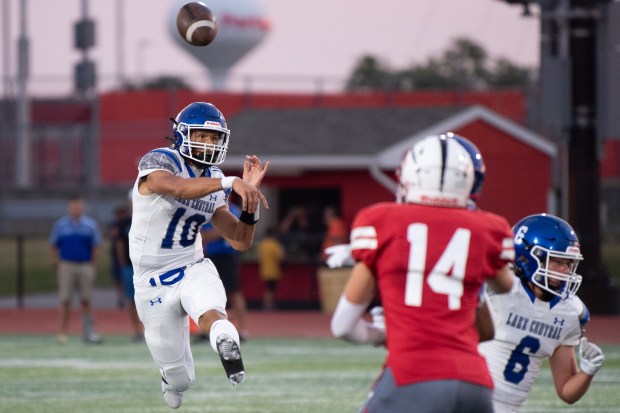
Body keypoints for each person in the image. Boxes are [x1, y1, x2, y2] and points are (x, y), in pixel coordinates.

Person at [327, 133, 515, 413]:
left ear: (409, 177)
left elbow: (341, 326)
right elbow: (503, 290)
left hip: (412, 374)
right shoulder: (488, 228)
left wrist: (383, 332)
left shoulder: (382, 222)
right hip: (475, 384)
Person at [128, 101, 269, 409]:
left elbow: (239, 240)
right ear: (181, 134)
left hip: (191, 266)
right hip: (152, 282)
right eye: (202, 136)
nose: (208, 144)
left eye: (214, 138)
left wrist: (250, 204)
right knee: (181, 378)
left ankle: (223, 338)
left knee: (212, 311)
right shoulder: (161, 160)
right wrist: (231, 182)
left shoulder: (214, 178)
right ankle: (172, 382)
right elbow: (175, 187)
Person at [477, 213, 605, 413]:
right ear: (526, 257)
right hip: (471, 396)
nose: (564, 271)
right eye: (556, 261)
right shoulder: (497, 289)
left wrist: (587, 371)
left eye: (568, 264)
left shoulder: (570, 312)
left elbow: (566, 390)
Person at [49, 195, 103, 345]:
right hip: (66, 265)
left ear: (83, 207)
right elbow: (53, 244)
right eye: (74, 206)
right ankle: (62, 333)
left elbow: (96, 245)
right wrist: (56, 263)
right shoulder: (61, 225)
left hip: (84, 265)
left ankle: (87, 332)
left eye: (79, 206)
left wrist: (92, 264)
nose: (76, 209)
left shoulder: (90, 225)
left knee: (86, 300)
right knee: (65, 300)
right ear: (69, 207)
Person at [200, 201, 248, 340]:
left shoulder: (230, 209)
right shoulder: (209, 207)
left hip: (227, 256)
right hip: (211, 256)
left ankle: (242, 330)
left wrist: (211, 233)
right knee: (207, 294)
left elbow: (230, 232)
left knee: (233, 292)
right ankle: (207, 330)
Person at [112, 201, 143, 342]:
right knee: (131, 299)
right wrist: (123, 263)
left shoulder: (146, 219)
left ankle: (147, 329)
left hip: (145, 266)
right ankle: (136, 330)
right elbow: (119, 243)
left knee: (147, 299)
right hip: (130, 266)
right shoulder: (124, 223)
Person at [257, 226, 285, 311]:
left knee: (268, 288)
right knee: (271, 289)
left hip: (264, 270)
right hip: (273, 270)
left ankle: (270, 304)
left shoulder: (263, 244)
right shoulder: (275, 245)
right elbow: (281, 257)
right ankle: (268, 305)